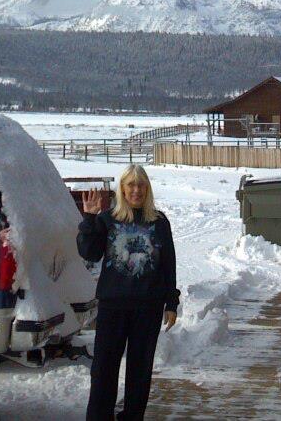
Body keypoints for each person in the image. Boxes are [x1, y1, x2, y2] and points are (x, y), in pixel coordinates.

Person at [77, 164, 178, 421]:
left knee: (140, 370)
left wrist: (171, 302)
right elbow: (89, 253)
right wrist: (89, 219)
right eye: (131, 185)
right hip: (113, 305)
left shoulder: (159, 222)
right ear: (122, 188)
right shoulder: (107, 219)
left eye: (141, 185)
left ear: (147, 189)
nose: (136, 190)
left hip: (148, 307)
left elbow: (168, 264)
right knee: (104, 368)